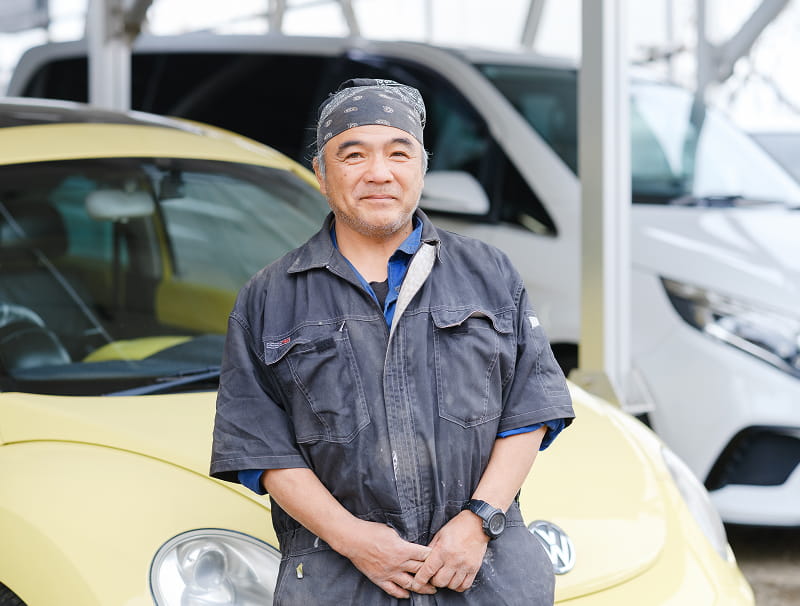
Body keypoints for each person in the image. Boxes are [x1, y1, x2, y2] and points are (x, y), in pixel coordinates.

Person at [210, 78, 575, 605]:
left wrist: (479, 520)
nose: (379, 173)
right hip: (341, 583)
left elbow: (530, 409)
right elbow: (260, 447)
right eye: (353, 155)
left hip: (485, 574)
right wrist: (353, 540)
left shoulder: (489, 273)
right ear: (321, 173)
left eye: (398, 153)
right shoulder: (270, 297)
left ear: (421, 168)